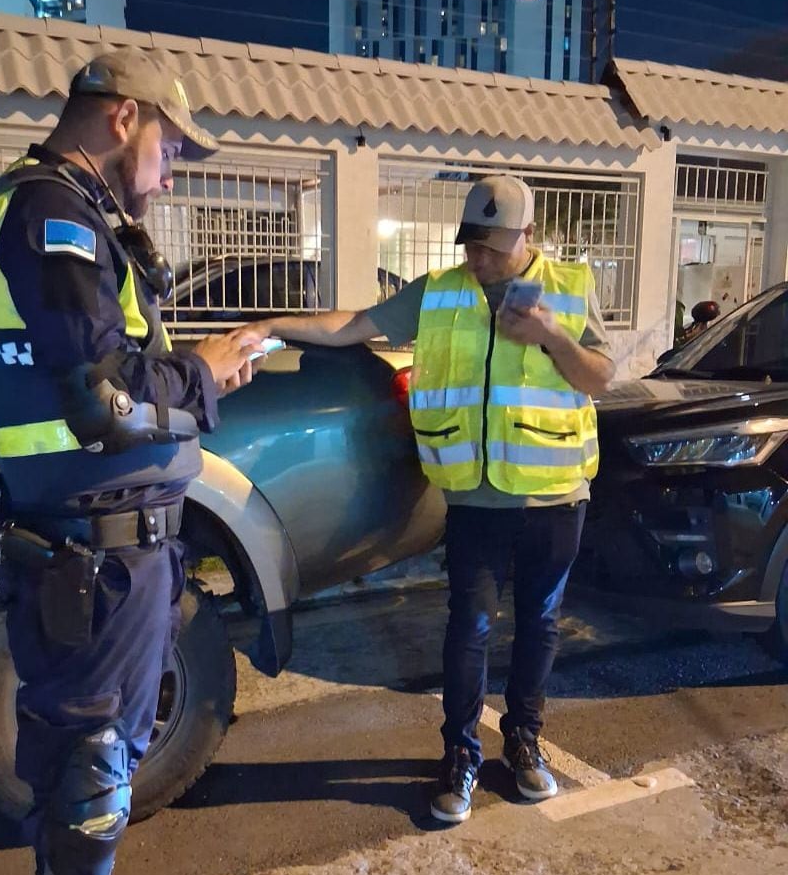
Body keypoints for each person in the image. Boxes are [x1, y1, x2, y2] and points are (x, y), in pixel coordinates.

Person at [0, 49, 261, 875]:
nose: (173, 170)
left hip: (103, 539)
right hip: (94, 539)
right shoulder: (53, 213)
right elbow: (104, 398)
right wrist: (204, 376)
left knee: (97, 747)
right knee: (91, 755)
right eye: (172, 146)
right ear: (124, 119)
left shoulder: (54, 211)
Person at [227, 176, 614, 823]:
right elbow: (352, 324)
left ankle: (523, 741)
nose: (480, 257)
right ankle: (459, 755)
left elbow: (599, 377)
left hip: (553, 498)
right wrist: (274, 323)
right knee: (469, 628)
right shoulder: (441, 293)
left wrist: (552, 334)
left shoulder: (568, 290)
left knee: (538, 626)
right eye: (472, 243)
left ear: (528, 235)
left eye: (493, 245)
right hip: (474, 501)